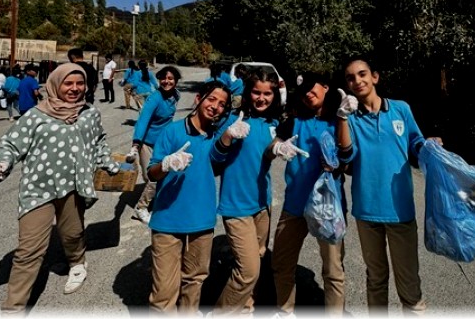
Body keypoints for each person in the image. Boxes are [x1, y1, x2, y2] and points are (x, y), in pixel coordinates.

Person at [0, 63, 121, 310]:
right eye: (68, 83)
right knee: (28, 251)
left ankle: (77, 263)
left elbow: (99, 141)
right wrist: (1, 163)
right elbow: (9, 145)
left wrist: (108, 163)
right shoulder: (36, 116)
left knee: (72, 234)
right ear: (55, 84)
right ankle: (13, 309)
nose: (74, 89)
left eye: (79, 83)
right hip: (38, 190)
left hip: (74, 186)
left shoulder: (89, 114)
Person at [340, 57, 440, 315]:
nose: (357, 80)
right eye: (351, 77)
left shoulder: (400, 110)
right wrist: (341, 118)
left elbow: (415, 142)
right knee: (375, 278)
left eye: (362, 74)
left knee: (409, 285)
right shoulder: (349, 119)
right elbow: (346, 157)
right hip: (366, 210)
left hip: (400, 210)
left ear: (375, 77)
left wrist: (427, 145)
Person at [271, 72, 354, 318]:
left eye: (312, 87)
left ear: (326, 87)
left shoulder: (340, 121)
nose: (307, 93)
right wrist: (277, 146)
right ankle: (284, 311)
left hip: (329, 207)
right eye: (303, 90)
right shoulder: (296, 121)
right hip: (295, 205)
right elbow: (274, 139)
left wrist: (337, 162)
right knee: (281, 263)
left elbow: (348, 161)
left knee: (333, 269)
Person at [145, 80, 232, 311]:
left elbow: (218, 163)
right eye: (211, 99)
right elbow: (151, 173)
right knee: (164, 292)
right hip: (167, 220)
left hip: (201, 221)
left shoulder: (216, 137)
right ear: (198, 99)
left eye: (222, 104)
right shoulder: (172, 131)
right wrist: (165, 163)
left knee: (194, 281)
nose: (215, 106)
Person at [213, 68, 286, 314]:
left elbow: (266, 155)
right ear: (248, 93)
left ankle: (246, 308)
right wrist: (227, 136)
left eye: (267, 94)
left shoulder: (273, 123)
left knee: (258, 258)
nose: (261, 98)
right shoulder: (232, 118)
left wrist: (278, 149)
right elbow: (214, 157)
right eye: (256, 92)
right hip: (236, 206)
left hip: (262, 204)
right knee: (248, 270)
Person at [128, 65, 183, 225]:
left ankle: (160, 200)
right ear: (159, 79)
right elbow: (143, 120)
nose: (167, 81)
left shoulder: (175, 95)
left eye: (171, 78)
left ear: (176, 81)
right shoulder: (155, 98)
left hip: (165, 141)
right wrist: (136, 144)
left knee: (167, 171)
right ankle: (140, 208)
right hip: (148, 143)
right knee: (152, 176)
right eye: (163, 78)